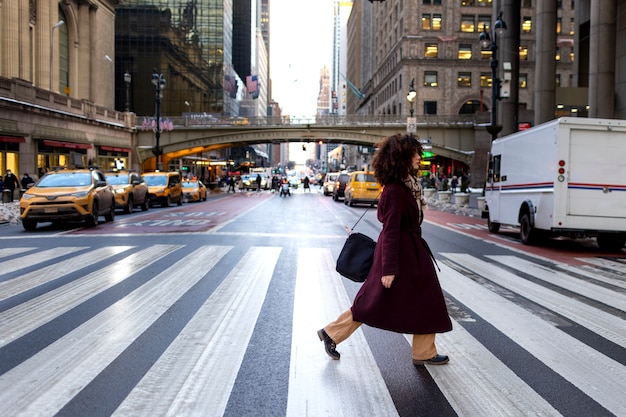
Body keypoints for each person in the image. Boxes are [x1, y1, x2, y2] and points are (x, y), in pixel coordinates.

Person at [317, 133, 452, 367]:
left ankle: (424, 351)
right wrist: (389, 269)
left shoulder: (406, 185)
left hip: (411, 252)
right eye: (415, 153)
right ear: (403, 156)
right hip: (400, 253)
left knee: (427, 300)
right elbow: (390, 230)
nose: (420, 157)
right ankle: (332, 333)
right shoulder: (396, 191)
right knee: (373, 302)